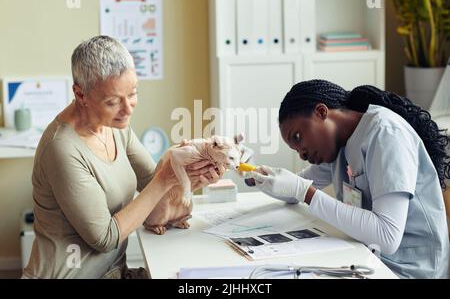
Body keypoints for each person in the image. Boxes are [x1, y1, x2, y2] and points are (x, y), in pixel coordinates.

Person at [23, 36, 251, 278]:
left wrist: (192, 177)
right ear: (81, 95)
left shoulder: (114, 126)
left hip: (114, 272)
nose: (128, 108)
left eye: (132, 93)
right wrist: (166, 178)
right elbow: (105, 238)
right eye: (113, 102)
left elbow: (153, 188)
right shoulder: (61, 149)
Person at [245, 79, 450, 279]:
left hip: (409, 270)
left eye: (297, 137)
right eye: (295, 149)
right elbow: (292, 191)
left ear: (321, 112)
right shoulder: (340, 146)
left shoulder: (385, 134)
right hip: (369, 258)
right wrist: (251, 172)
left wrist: (304, 192)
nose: (302, 155)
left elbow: (387, 237)